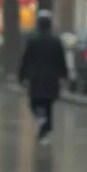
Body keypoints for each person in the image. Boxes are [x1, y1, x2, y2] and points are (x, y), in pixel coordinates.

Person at [18, 10, 68, 142]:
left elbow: (25, 59)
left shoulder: (32, 41)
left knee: (34, 102)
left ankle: (42, 123)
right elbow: (61, 60)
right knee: (48, 105)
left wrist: (22, 76)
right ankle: (46, 132)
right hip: (52, 78)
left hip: (36, 77)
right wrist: (64, 76)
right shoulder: (56, 41)